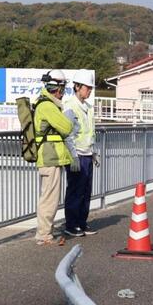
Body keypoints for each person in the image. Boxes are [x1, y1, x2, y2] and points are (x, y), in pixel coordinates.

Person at [34, 70, 73, 245]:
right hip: (49, 157)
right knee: (49, 198)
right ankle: (43, 234)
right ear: (56, 88)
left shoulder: (47, 104)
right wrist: (69, 119)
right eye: (61, 88)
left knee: (49, 196)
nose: (62, 92)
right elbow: (66, 127)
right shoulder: (47, 106)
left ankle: (45, 233)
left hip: (51, 156)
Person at [62, 69, 97, 237]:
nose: (89, 90)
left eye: (90, 88)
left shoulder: (88, 107)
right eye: (86, 87)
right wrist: (73, 155)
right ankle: (71, 224)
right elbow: (67, 133)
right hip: (76, 155)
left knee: (86, 190)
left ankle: (82, 222)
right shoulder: (70, 106)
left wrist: (93, 152)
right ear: (77, 86)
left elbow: (90, 132)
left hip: (87, 153)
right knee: (75, 190)